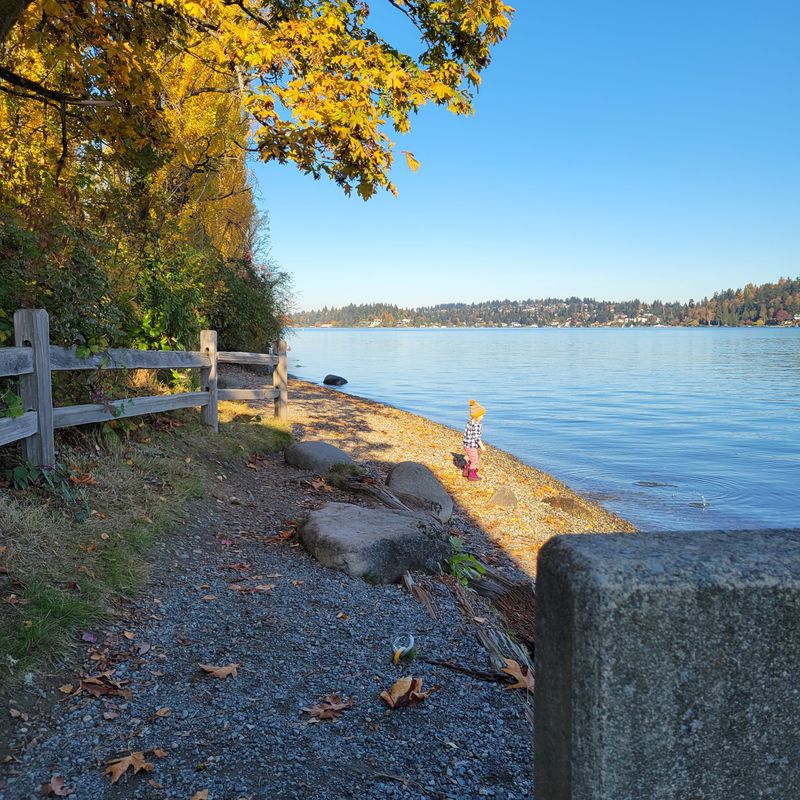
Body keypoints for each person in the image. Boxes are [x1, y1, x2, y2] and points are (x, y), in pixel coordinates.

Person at [462, 399, 486, 481]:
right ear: (477, 416)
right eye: (482, 415)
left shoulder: (470, 422)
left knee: (471, 458)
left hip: (466, 445)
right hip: (471, 445)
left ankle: (466, 471)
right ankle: (472, 475)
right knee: (475, 460)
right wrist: (482, 446)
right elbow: (476, 437)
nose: (483, 417)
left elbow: (467, 434)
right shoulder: (476, 425)